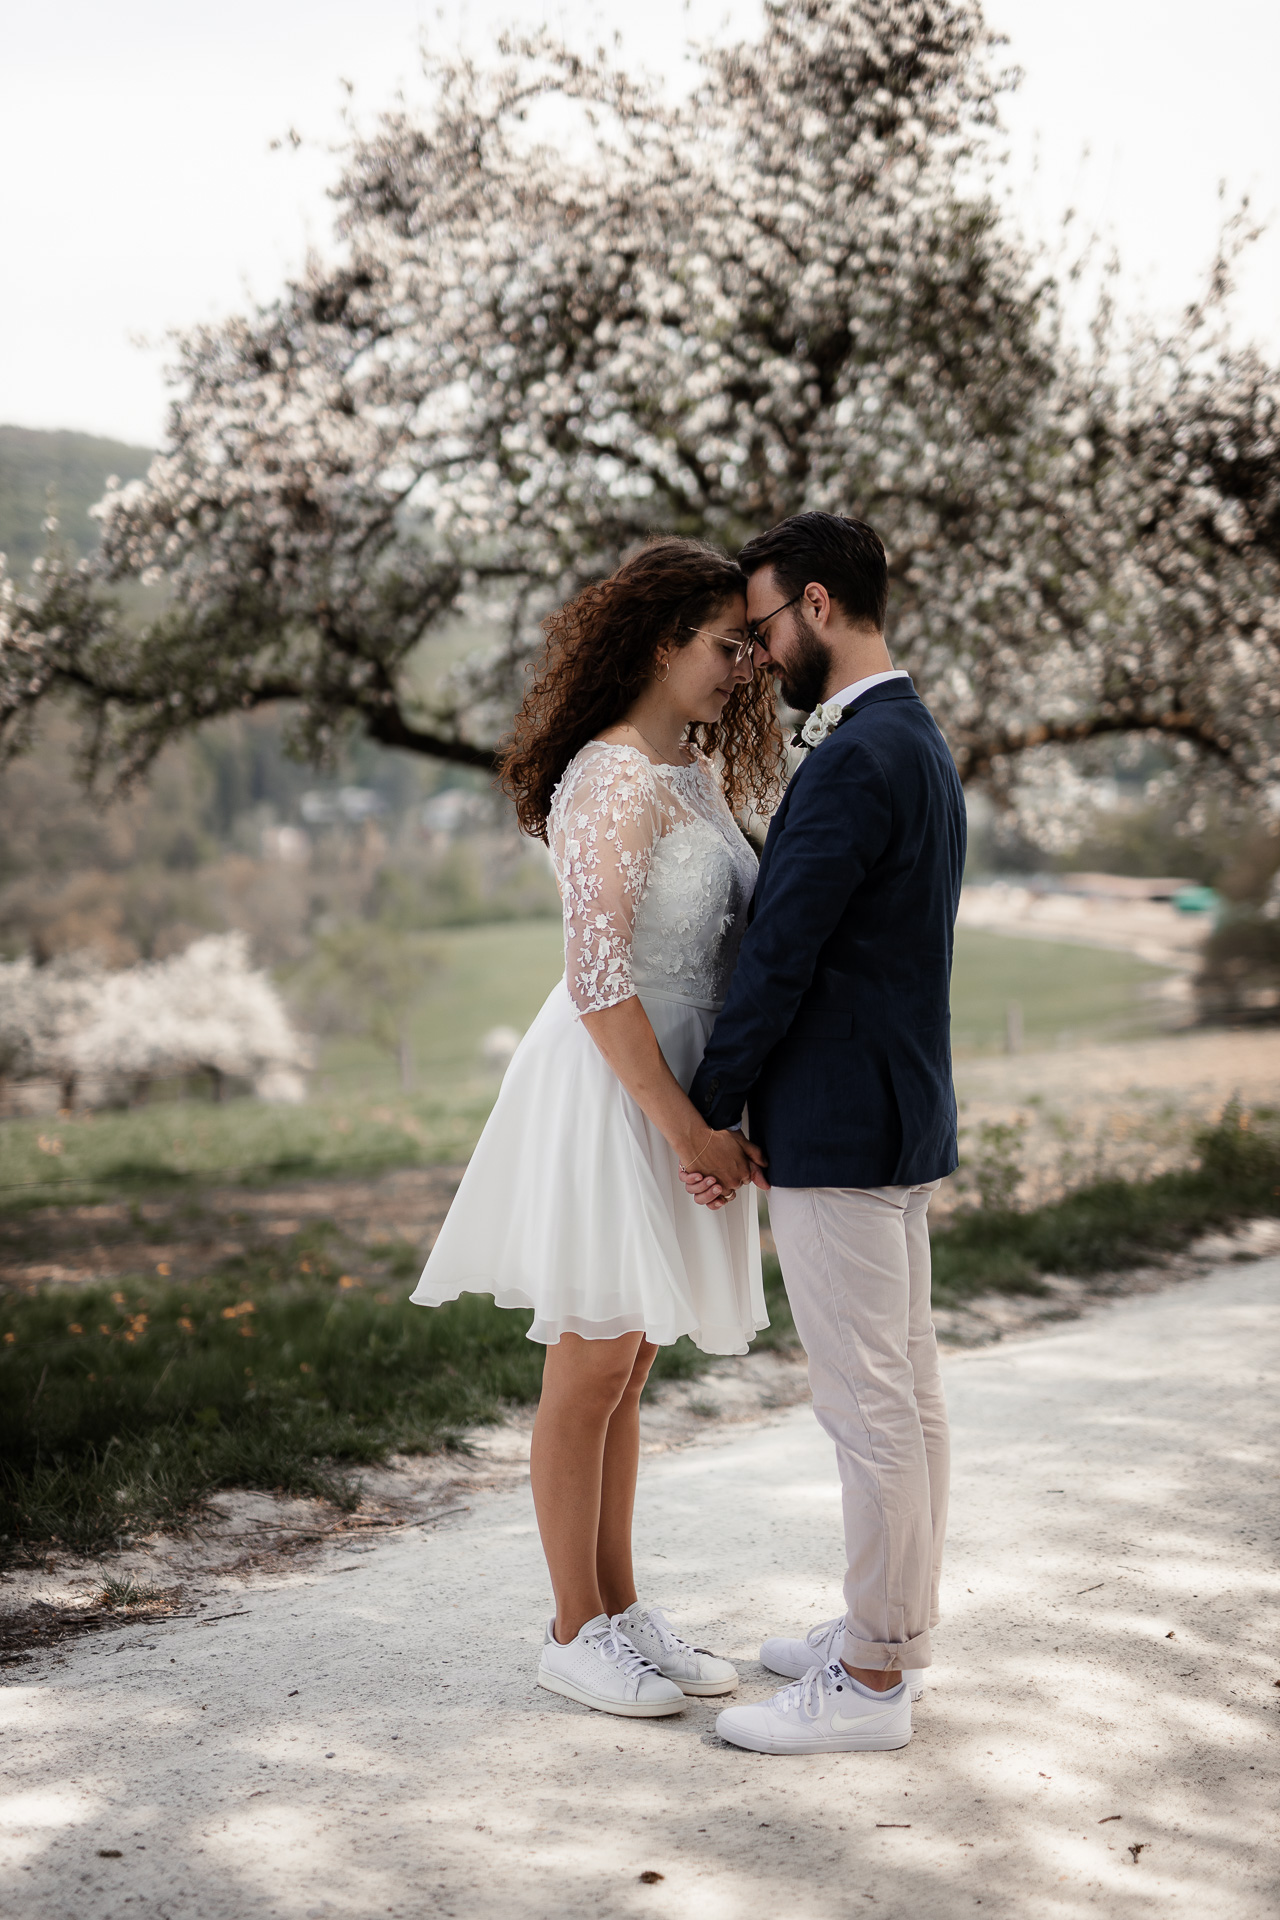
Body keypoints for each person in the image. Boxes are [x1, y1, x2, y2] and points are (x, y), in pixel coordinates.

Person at [411, 537, 782, 1719]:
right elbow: (598, 980)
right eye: (727, 646)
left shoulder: (694, 775)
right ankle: (570, 1630)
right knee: (586, 1365)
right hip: (614, 1084)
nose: (743, 667)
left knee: (631, 1359)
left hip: (678, 1082)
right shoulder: (608, 778)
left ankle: (619, 1609)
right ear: (663, 643)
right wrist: (681, 1127)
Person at [681, 511, 966, 1757]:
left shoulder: (855, 757)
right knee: (904, 1397)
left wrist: (710, 1105)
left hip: (841, 1128)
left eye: (760, 627)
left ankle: (868, 1678)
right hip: (894, 1116)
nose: (756, 652)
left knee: (868, 1408)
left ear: (813, 605)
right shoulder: (910, 735)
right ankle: (887, 1629)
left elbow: (783, 954)